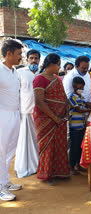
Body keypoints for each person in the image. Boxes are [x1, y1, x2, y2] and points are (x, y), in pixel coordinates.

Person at [33, 53, 70, 185]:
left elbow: (63, 97)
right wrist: (54, 117)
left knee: (60, 144)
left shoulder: (57, 78)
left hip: (60, 119)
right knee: (47, 146)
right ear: (50, 64)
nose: (59, 67)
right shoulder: (39, 79)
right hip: (46, 118)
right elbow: (39, 102)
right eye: (58, 64)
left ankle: (60, 172)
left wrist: (66, 112)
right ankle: (46, 174)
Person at [0, 39, 23, 201]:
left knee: (9, 151)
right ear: (9, 54)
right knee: (1, 152)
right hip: (3, 116)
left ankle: (4, 181)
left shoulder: (15, 71)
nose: (21, 57)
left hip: (15, 114)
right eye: (18, 54)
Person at [14, 49, 41, 179]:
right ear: (27, 59)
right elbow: (16, 93)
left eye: (36, 58)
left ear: (39, 60)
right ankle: (25, 166)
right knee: (25, 142)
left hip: (41, 114)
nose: (34, 60)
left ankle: (38, 165)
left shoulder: (42, 74)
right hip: (25, 112)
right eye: (31, 58)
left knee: (38, 141)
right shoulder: (20, 73)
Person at [69, 77, 91, 175]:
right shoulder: (72, 97)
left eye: (83, 87)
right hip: (74, 127)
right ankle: (71, 166)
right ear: (74, 86)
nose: (81, 89)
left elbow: (86, 105)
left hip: (81, 126)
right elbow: (79, 110)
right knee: (74, 147)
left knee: (79, 147)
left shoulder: (81, 97)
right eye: (80, 87)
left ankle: (78, 165)